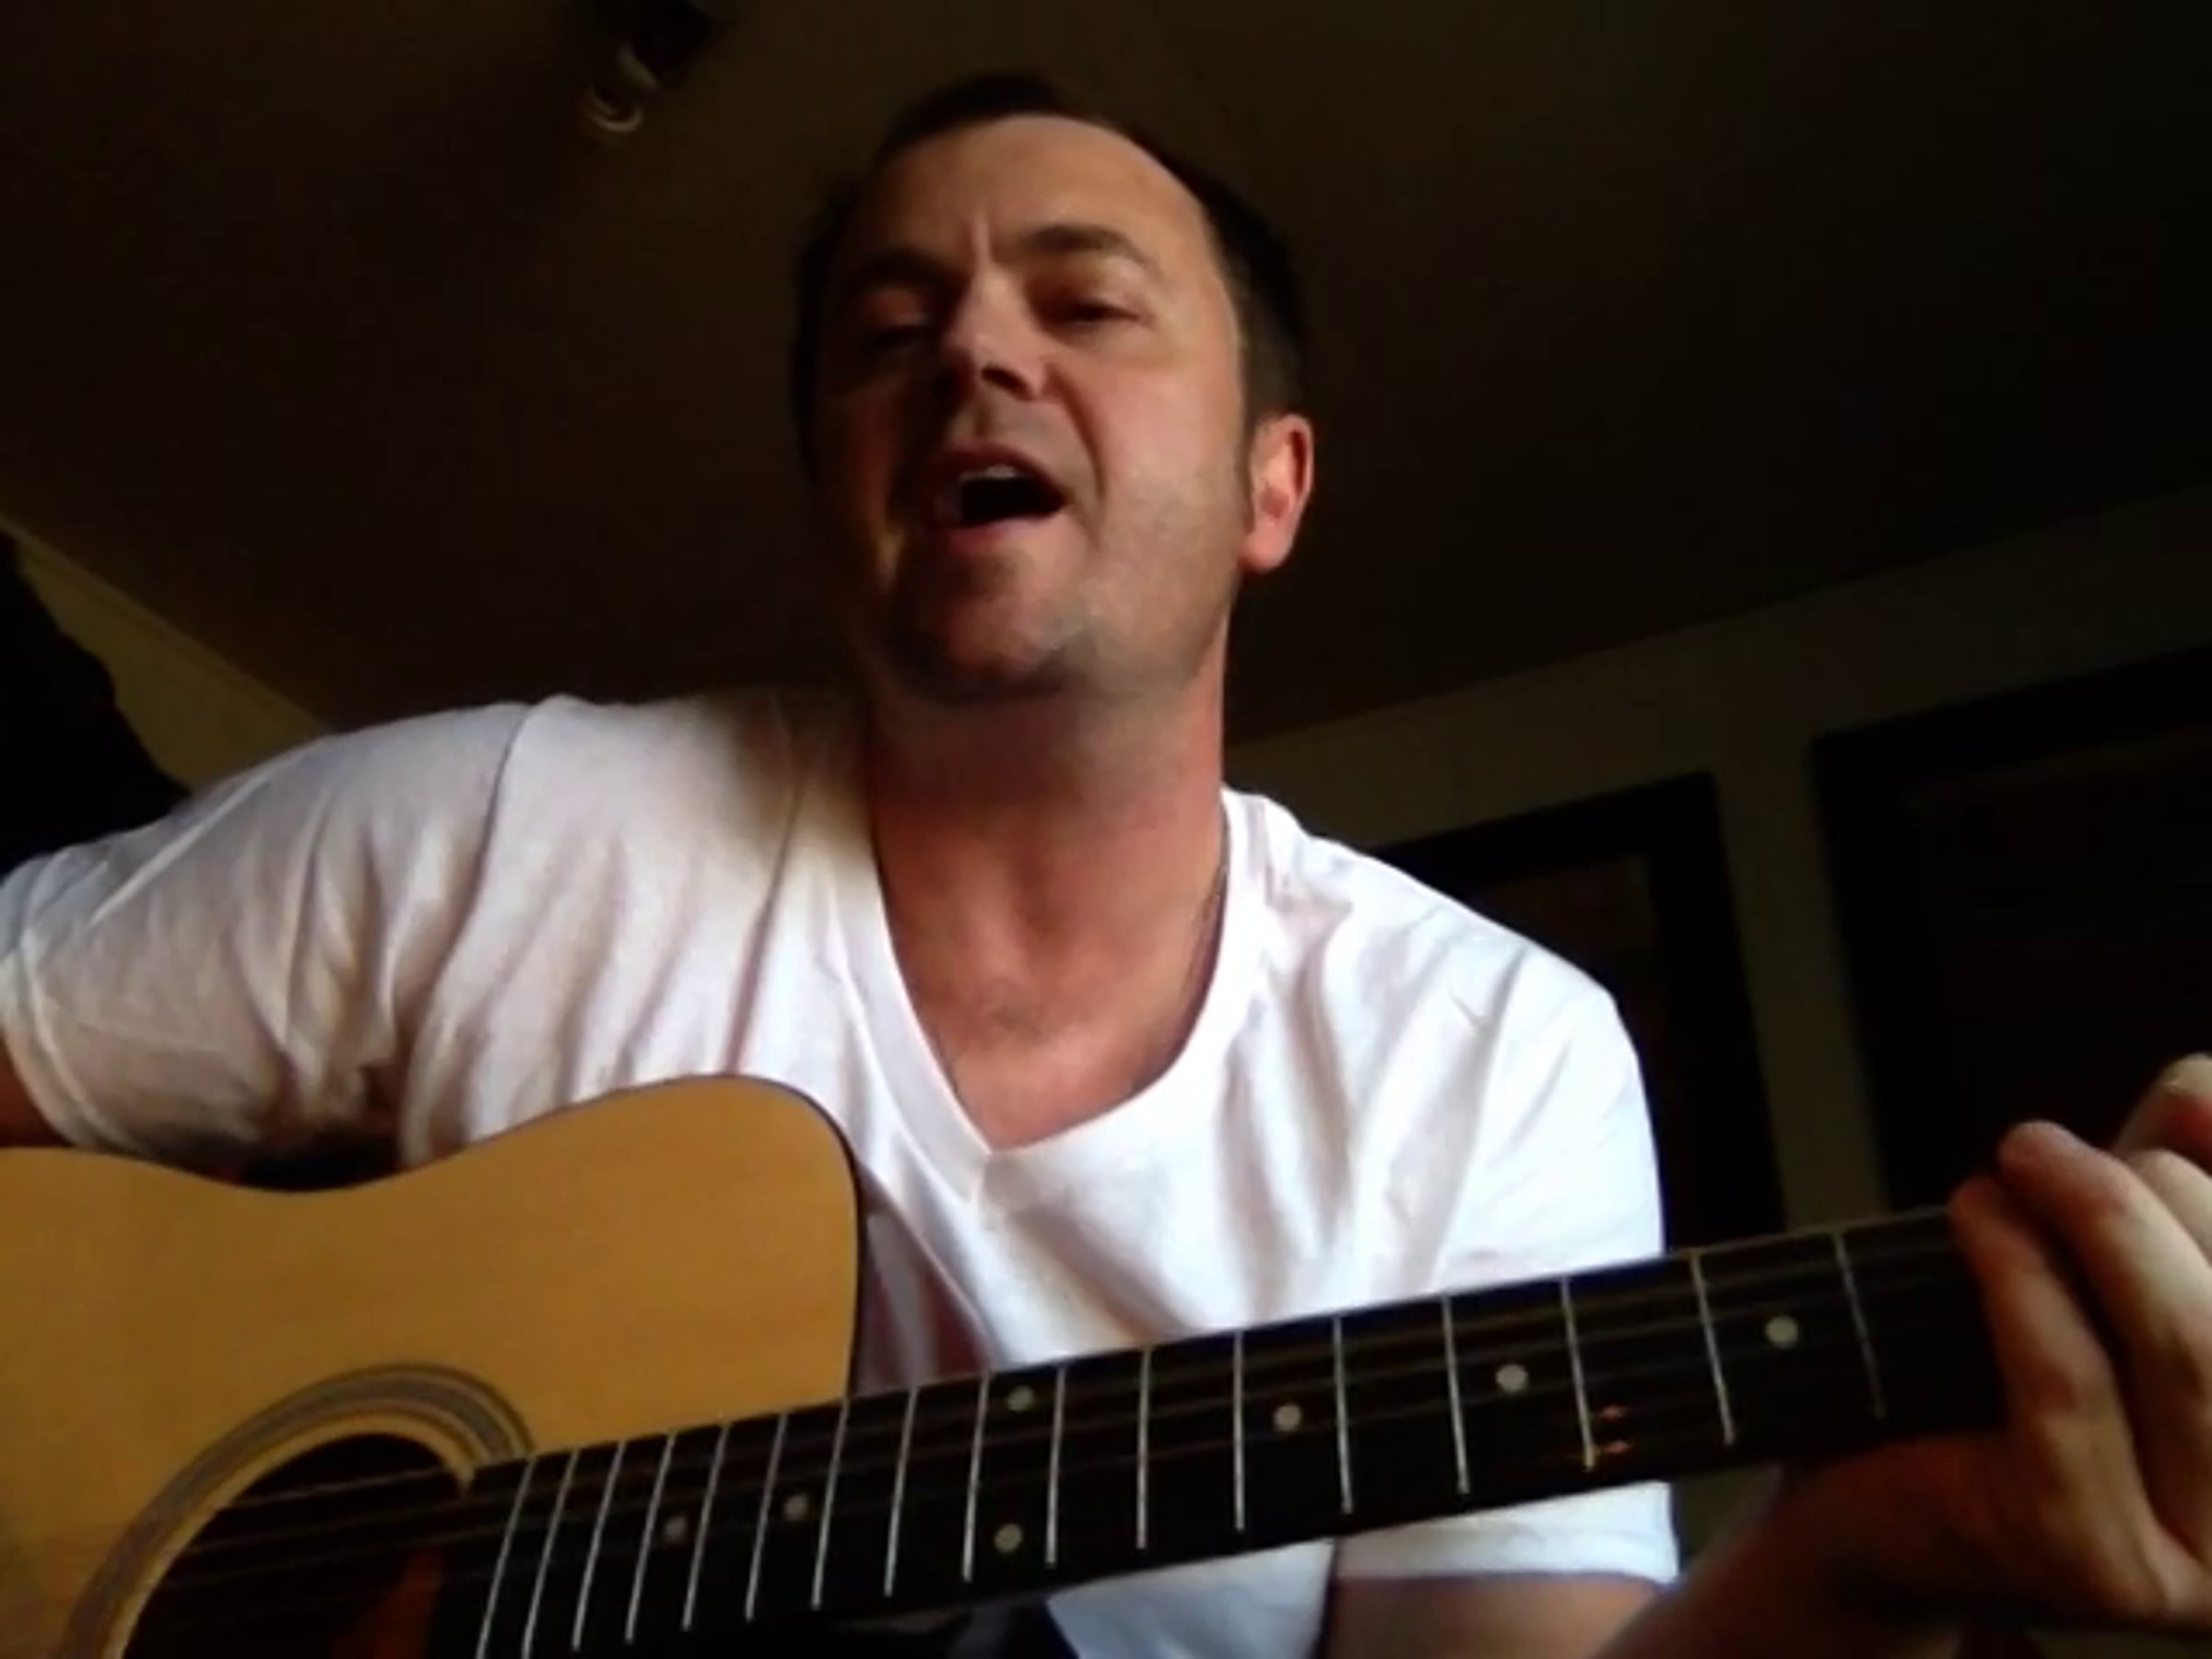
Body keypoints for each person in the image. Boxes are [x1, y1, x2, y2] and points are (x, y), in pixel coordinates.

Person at [3, 69, 2210, 1659]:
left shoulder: (1486, 1056)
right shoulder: (489, 835)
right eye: (889, 333)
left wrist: (1857, 1566)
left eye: (1086, 302)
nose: (973, 346)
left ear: (1272, 484)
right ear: (833, 487)